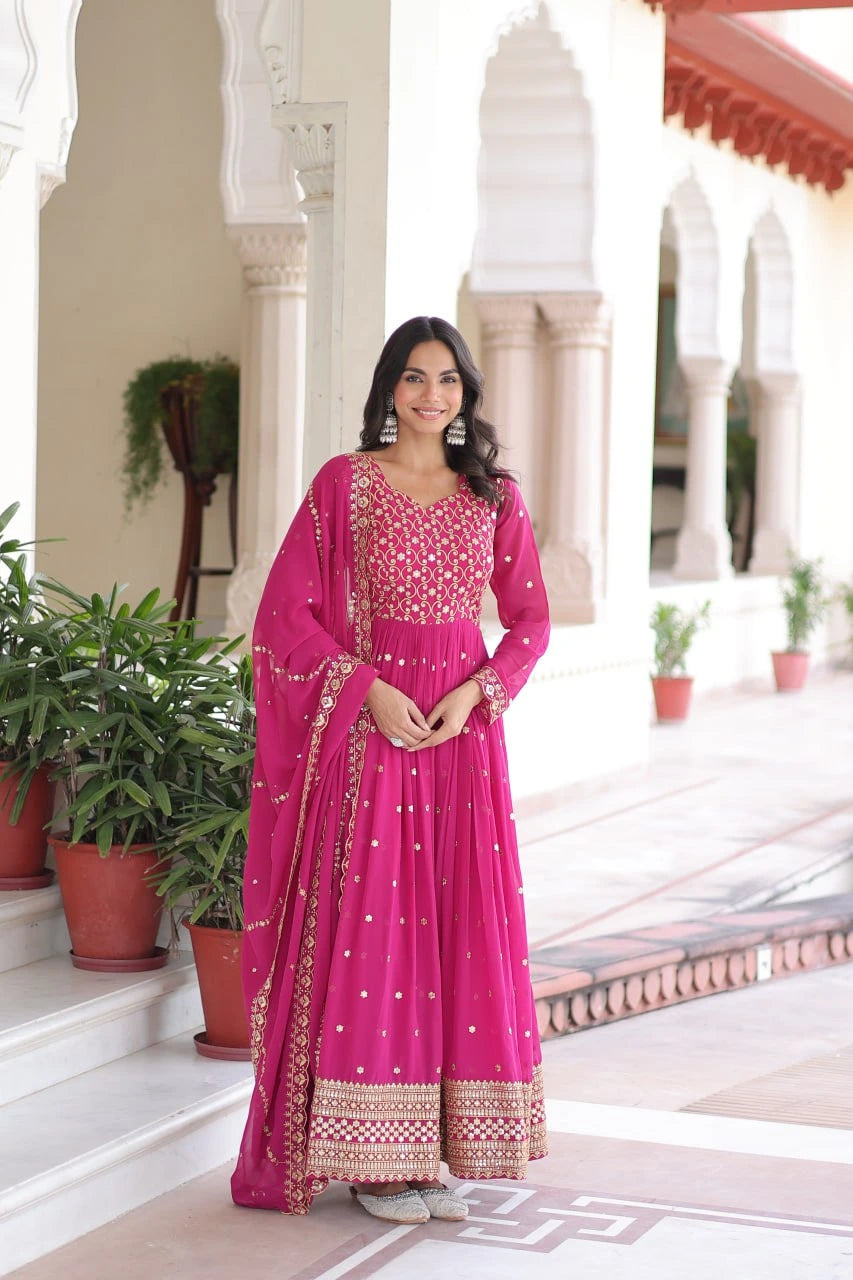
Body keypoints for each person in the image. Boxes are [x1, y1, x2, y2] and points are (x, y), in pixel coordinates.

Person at [231, 315, 550, 1225]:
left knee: (451, 935)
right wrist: (365, 690)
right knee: (379, 938)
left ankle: (430, 1150)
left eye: (447, 380)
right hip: (375, 741)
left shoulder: (493, 496)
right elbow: (285, 618)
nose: (430, 396)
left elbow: (531, 621)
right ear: (388, 389)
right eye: (414, 379)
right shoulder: (346, 486)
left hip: (459, 745)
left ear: (465, 394)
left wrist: (480, 692)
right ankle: (374, 1162)